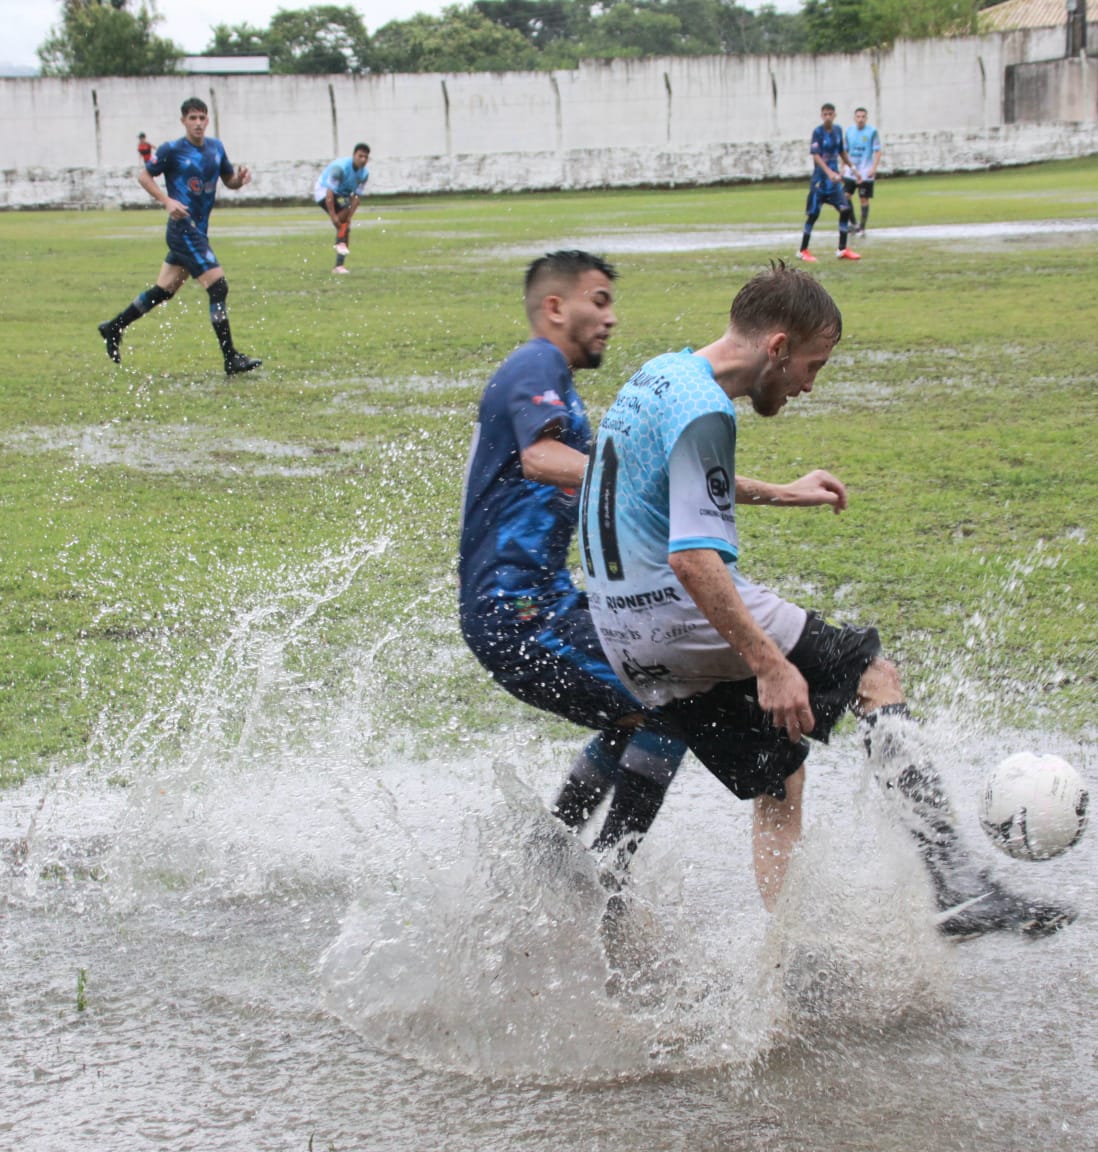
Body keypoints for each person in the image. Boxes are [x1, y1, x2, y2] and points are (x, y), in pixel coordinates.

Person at [579, 263, 1073, 939]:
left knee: (781, 775)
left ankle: (795, 958)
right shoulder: (707, 412)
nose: (811, 384)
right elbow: (693, 559)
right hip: (680, 613)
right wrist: (770, 663)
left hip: (629, 640)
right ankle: (956, 884)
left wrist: (784, 491)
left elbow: (676, 485)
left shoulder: (662, 376)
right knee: (875, 675)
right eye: (813, 365)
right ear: (777, 348)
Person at [459, 250, 688, 873]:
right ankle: (611, 882)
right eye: (600, 300)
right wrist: (638, 481)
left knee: (641, 699)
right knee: (671, 698)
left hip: (542, 603)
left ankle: (552, 855)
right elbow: (542, 460)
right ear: (555, 307)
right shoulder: (537, 360)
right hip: (518, 614)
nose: (611, 318)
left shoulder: (553, 382)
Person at [97, 98, 261, 376]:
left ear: (208, 120)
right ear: (183, 121)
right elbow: (144, 177)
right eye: (192, 118)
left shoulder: (216, 148)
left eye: (202, 118)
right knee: (218, 287)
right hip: (183, 229)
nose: (198, 123)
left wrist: (240, 180)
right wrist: (166, 200)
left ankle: (113, 327)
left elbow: (229, 181)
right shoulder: (172, 150)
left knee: (162, 291)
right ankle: (230, 357)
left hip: (198, 231)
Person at [798, 102, 860, 263]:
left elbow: (842, 152)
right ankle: (803, 250)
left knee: (845, 209)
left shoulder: (838, 131)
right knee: (813, 215)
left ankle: (842, 249)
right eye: (825, 114)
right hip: (820, 182)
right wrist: (829, 173)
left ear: (834, 115)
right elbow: (816, 156)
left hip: (834, 184)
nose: (827, 117)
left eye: (830, 114)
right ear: (821, 115)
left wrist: (853, 169)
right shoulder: (817, 132)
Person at [314, 144, 370, 274]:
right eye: (360, 156)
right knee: (342, 225)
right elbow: (329, 192)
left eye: (365, 157)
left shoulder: (364, 174)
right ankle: (339, 263)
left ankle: (339, 265)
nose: (362, 159)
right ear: (353, 155)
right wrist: (334, 216)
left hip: (341, 194)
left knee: (345, 226)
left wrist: (349, 217)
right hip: (324, 192)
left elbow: (356, 198)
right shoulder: (339, 169)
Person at [843, 108, 882, 236]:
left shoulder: (872, 132)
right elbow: (844, 151)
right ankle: (854, 223)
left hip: (865, 171)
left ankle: (862, 228)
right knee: (845, 196)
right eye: (858, 116)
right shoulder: (849, 131)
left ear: (866, 118)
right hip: (851, 170)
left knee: (864, 199)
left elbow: (877, 151)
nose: (860, 119)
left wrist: (873, 168)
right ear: (855, 118)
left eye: (863, 117)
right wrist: (843, 166)